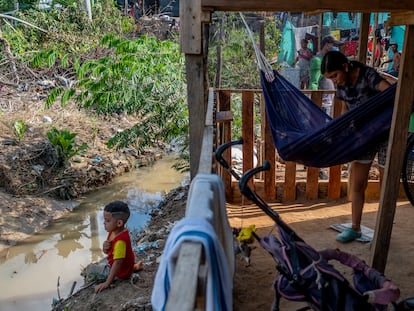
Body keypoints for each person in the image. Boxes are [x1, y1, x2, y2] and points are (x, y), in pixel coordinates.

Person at [321, 51, 392, 243]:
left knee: (387, 187)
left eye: (334, 75)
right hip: (362, 136)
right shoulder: (342, 88)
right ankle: (355, 228)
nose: (334, 81)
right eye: (330, 78)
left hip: (385, 133)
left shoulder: (368, 76)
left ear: (345, 67)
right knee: (358, 184)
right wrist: (337, 133)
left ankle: (383, 232)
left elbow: (390, 93)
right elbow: (345, 111)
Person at [95, 201, 142, 293]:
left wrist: (107, 283)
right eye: (104, 220)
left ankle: (128, 271)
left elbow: (117, 263)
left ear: (119, 223)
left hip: (120, 272)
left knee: (90, 270)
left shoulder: (120, 241)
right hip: (124, 266)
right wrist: (105, 247)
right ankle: (133, 268)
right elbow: (108, 252)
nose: (104, 223)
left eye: (107, 220)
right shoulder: (114, 232)